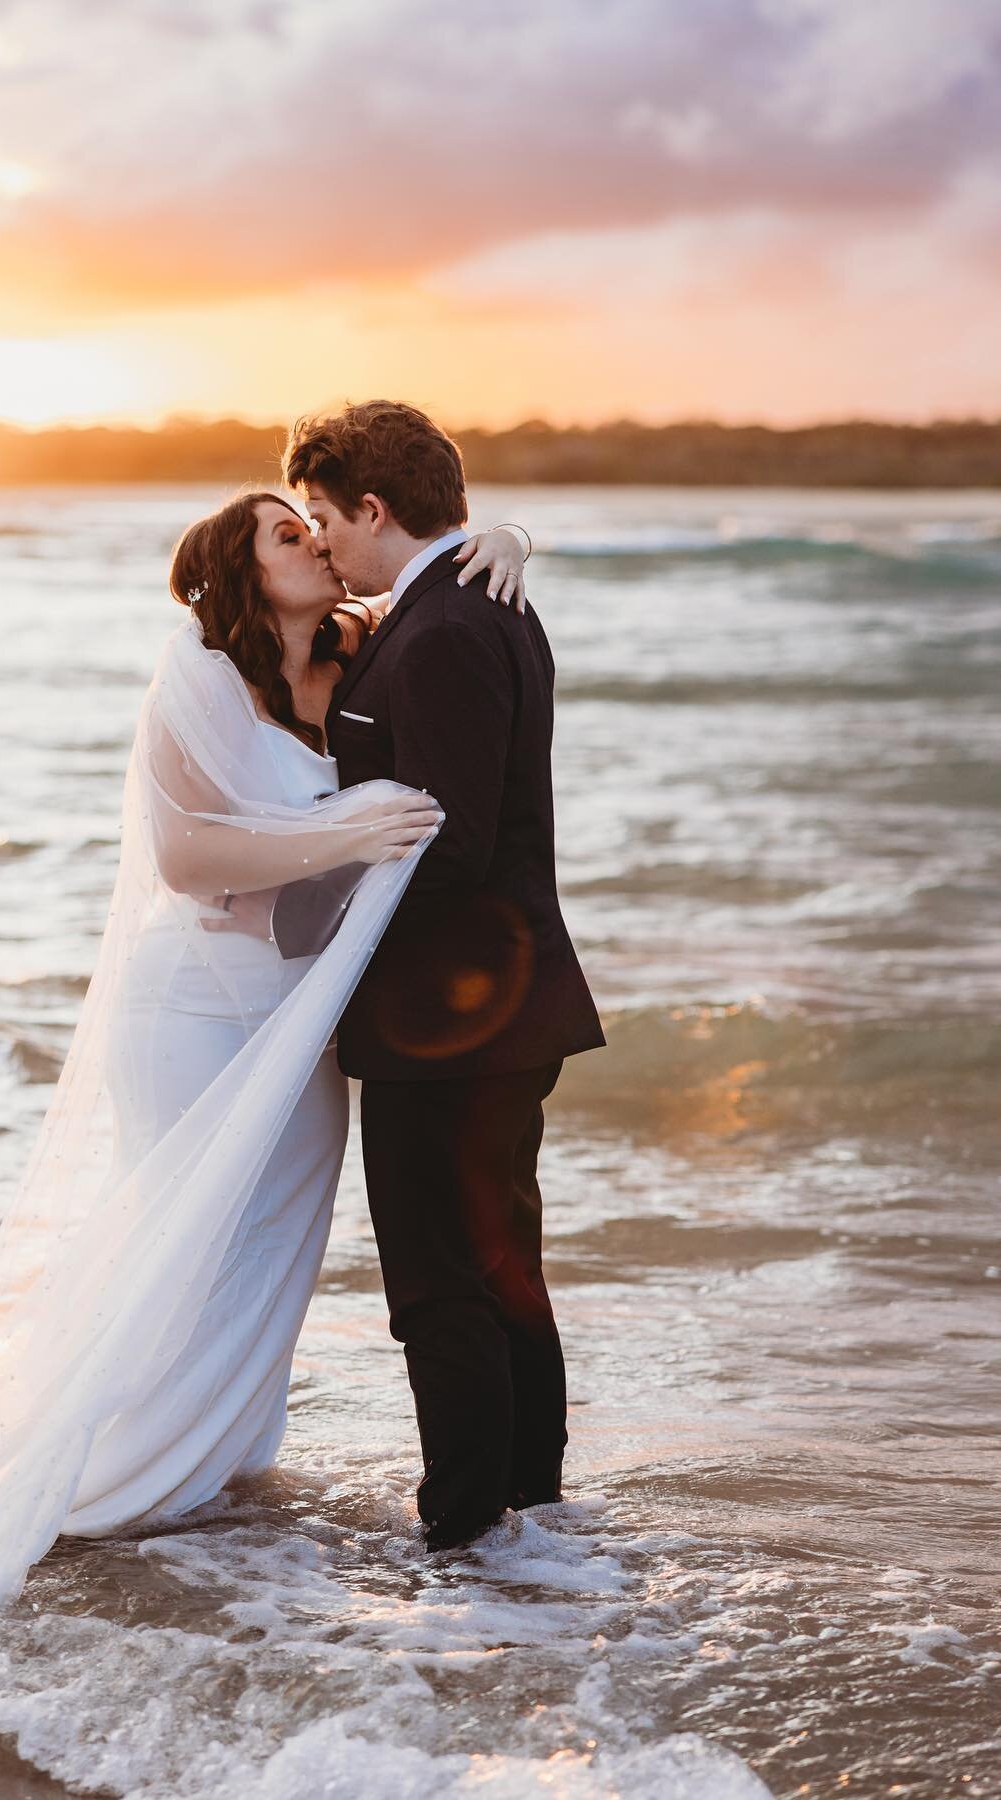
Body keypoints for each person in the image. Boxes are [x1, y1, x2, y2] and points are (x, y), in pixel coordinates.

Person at [0, 492, 531, 1616]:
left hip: (302, 1022)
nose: (316, 543)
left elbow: (438, 569)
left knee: (275, 1239)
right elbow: (184, 854)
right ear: (240, 571)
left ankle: (210, 1466)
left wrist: (506, 542)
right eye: (287, 535)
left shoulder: (357, 653)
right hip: (193, 1007)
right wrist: (346, 830)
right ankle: (105, 1476)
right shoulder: (199, 675)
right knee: (180, 1235)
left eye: (316, 527)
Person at [285, 399, 605, 1552]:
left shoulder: (452, 628)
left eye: (325, 517)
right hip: (488, 1012)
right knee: (498, 1268)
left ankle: (468, 1535)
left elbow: (453, 841)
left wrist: (311, 927)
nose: (318, 541)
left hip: (455, 1019)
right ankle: (531, 1526)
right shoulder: (459, 602)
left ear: (375, 509)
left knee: (440, 1287)